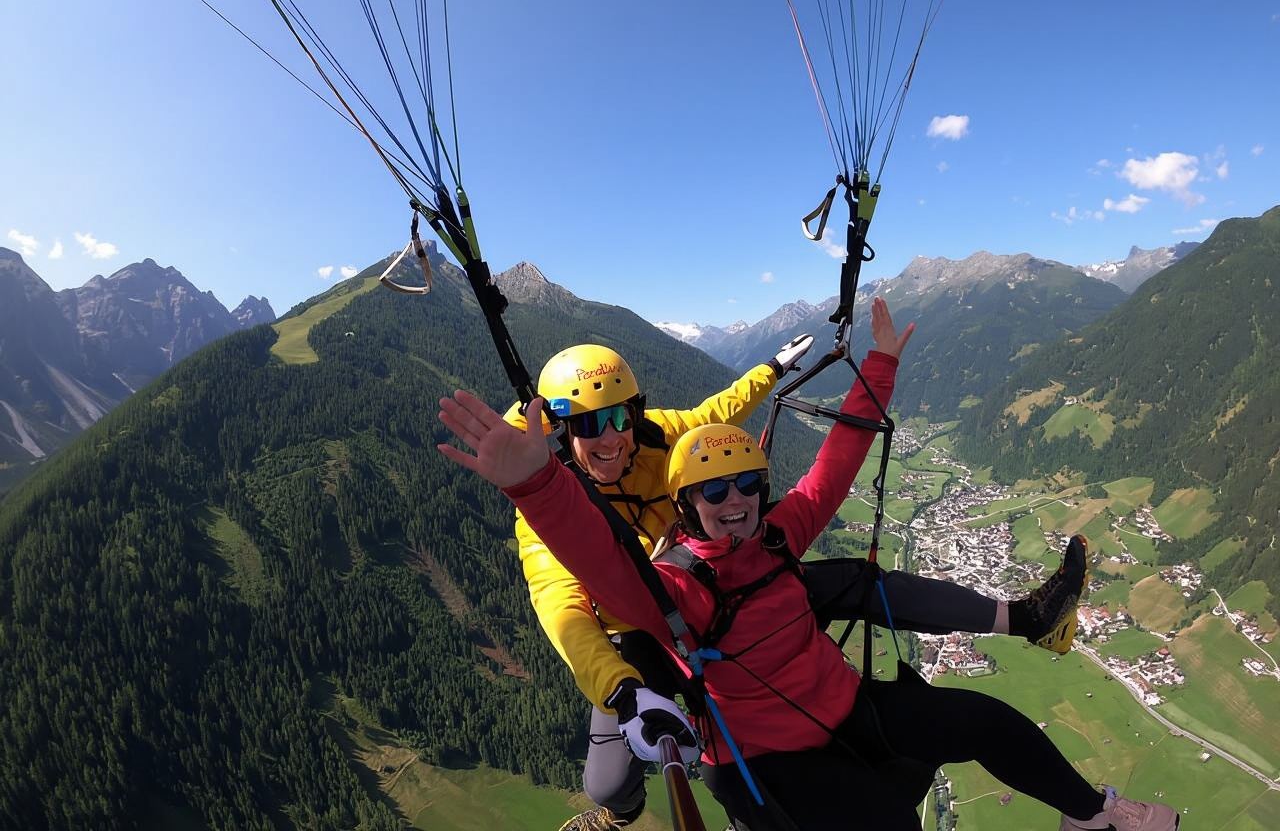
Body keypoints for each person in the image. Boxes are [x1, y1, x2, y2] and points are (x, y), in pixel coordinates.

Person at [438, 299, 1178, 831]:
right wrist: (537, 485)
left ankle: (1091, 813)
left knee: (990, 721)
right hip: (673, 677)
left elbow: (829, 467)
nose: (734, 501)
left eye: (747, 485)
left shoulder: (755, 517)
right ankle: (618, 811)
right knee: (616, 777)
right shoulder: (674, 589)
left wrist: (876, 367)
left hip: (842, 705)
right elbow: (588, 584)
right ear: (685, 506)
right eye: (713, 493)